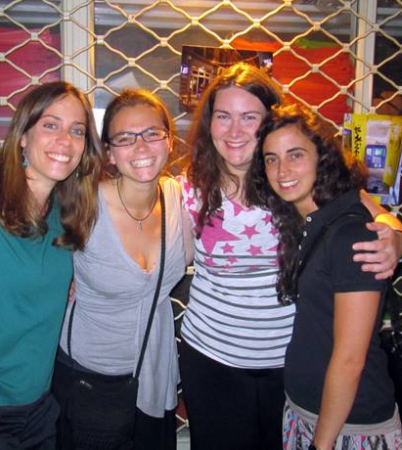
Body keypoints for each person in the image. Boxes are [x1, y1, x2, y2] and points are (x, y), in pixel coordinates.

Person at [177, 62, 402, 450]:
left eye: (249, 117)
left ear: (269, 122)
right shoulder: (189, 189)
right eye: (223, 116)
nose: (234, 130)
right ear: (208, 124)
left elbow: (371, 212)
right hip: (211, 360)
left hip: (289, 366)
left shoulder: (295, 184)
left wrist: (395, 235)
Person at [0, 81, 102, 449]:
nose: (65, 140)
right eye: (50, 125)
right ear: (22, 136)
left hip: (39, 411)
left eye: (77, 130)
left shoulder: (62, 217)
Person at [250, 103, 402, 449]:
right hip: (308, 413)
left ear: (322, 157)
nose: (282, 170)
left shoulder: (350, 235)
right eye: (271, 159)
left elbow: (350, 359)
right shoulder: (311, 220)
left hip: (349, 428)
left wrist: (321, 444)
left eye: (296, 155)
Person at [52, 88, 192, 450]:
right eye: (125, 138)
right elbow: (19, 252)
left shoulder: (181, 199)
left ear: (169, 140)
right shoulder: (82, 204)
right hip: (86, 376)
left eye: (152, 133)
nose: (141, 147)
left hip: (152, 374)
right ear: (109, 153)